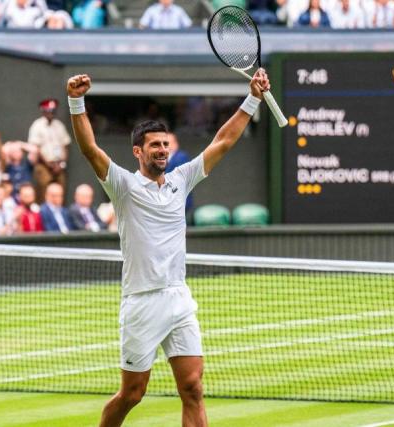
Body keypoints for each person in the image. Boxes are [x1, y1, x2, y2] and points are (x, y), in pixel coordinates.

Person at [66, 68, 270, 427]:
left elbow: (223, 141)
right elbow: (89, 149)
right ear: (138, 152)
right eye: (155, 146)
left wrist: (252, 98)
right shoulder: (123, 186)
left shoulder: (181, 179)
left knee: (192, 388)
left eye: (165, 145)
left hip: (178, 297)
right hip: (141, 302)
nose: (162, 150)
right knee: (132, 393)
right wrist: (76, 100)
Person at [28, 98, 71, 203]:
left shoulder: (59, 125)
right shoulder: (37, 125)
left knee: (61, 190)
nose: (51, 113)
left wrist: (62, 163)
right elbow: (36, 149)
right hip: (43, 165)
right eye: (48, 111)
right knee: (44, 189)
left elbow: (65, 146)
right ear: (43, 111)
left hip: (58, 165)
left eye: (53, 111)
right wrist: (48, 164)